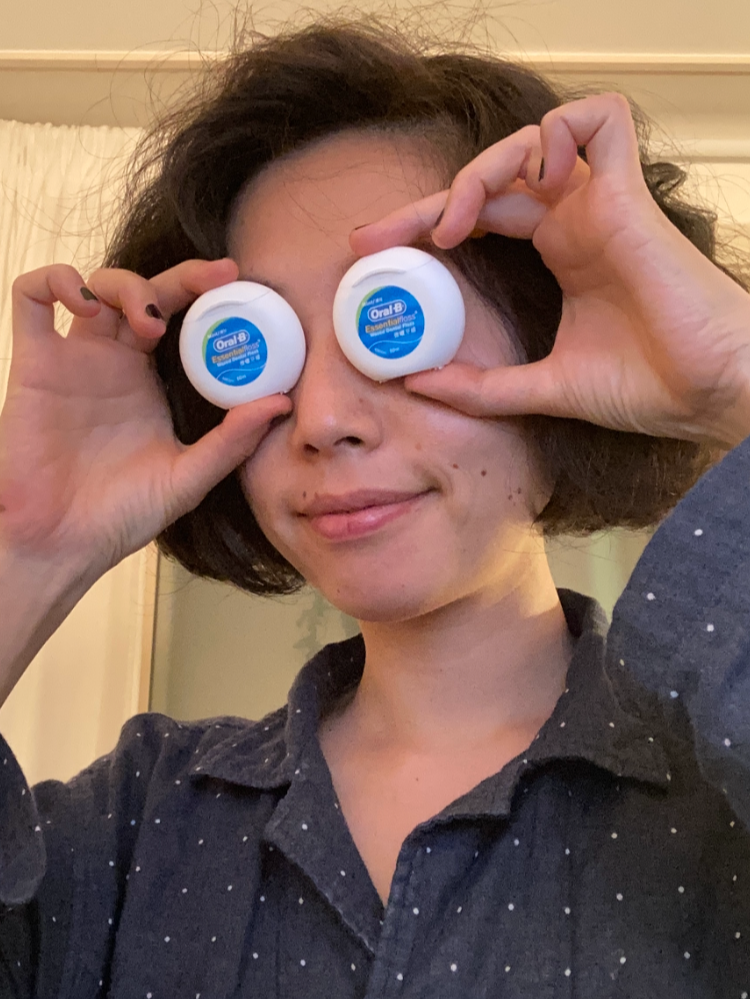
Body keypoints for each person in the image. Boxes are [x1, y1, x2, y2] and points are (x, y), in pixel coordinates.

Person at [2, 17, 750, 999]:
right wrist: (26, 553)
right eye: (262, 344)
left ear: (554, 334)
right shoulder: (127, 832)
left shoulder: (719, 793)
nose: (322, 419)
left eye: (390, 318)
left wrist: (735, 377)